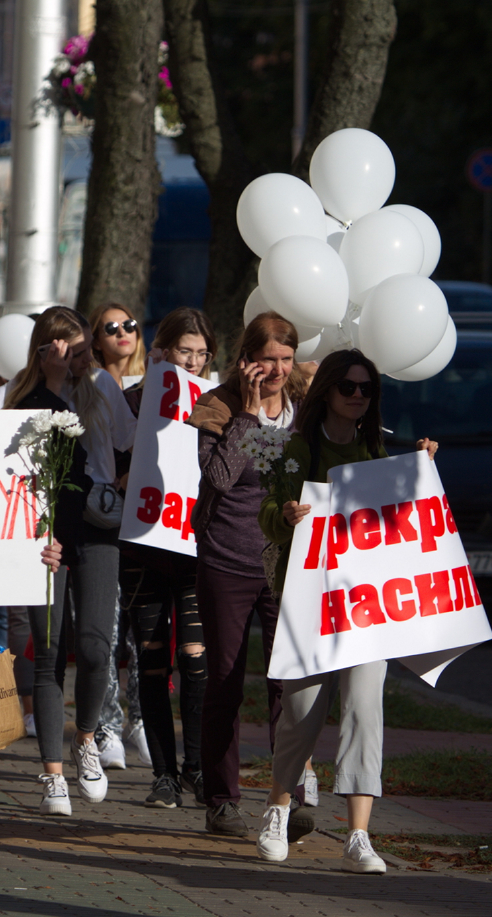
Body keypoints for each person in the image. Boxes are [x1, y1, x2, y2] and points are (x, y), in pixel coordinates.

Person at [256, 348, 437, 872]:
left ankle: (358, 834)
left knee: (365, 708)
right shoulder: (298, 451)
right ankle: (277, 807)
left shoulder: (377, 450)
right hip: (312, 601)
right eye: (348, 387)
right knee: (301, 713)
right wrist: (286, 515)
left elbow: (405, 511)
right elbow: (269, 513)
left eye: (367, 389)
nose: (358, 396)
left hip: (365, 604)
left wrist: (423, 467)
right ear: (328, 390)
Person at [4, 306, 134, 815]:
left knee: (97, 646)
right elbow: (9, 472)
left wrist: (121, 484)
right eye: (67, 351)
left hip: (97, 528)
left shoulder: (101, 387)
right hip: (44, 535)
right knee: (50, 648)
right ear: (45, 350)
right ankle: (52, 773)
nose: (78, 359)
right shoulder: (23, 398)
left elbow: (129, 443)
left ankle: (86, 739)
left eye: (83, 350)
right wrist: (51, 384)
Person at [186, 310, 306, 838]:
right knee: (227, 680)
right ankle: (221, 798)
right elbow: (218, 476)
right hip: (228, 559)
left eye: (286, 358)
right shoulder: (218, 406)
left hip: (289, 564)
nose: (278, 369)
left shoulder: (307, 406)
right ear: (246, 361)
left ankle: (289, 798)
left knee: (290, 683)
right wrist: (250, 414)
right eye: (267, 360)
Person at [119, 307, 215, 809]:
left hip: (195, 551)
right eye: (185, 352)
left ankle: (197, 768)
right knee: (152, 664)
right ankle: (164, 775)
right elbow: (108, 456)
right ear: (162, 351)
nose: (193, 363)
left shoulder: (218, 404)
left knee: (195, 659)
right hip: (144, 547)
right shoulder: (134, 400)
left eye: (202, 354)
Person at [91, 302, 146, 391]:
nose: (122, 333)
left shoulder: (150, 381)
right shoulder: (87, 384)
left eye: (128, 325)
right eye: (111, 328)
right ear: (96, 342)